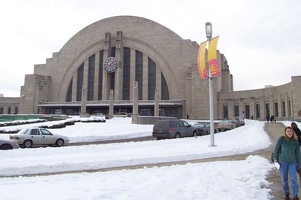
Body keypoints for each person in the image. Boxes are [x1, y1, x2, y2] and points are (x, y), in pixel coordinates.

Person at [273, 126, 301, 200]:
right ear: (285, 132)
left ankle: (295, 195)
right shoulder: (282, 139)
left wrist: (299, 162)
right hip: (282, 162)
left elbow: (298, 152)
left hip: (292, 162)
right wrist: (275, 158)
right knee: (284, 179)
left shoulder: (295, 141)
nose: (289, 132)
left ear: (292, 132)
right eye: (288, 131)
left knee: (293, 179)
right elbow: (276, 148)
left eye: (290, 131)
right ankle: (287, 193)